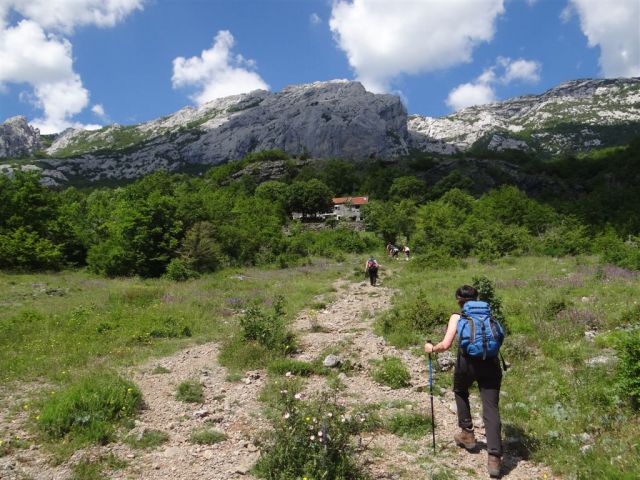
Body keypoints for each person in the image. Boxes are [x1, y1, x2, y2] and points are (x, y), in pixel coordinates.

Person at [424, 285, 504, 478]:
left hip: (467, 364)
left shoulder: (458, 317)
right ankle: (494, 457)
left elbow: (445, 345)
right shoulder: (488, 314)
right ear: (477, 299)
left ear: (458, 299)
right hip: (491, 364)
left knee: (460, 391)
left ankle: (467, 433)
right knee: (491, 408)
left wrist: (431, 348)